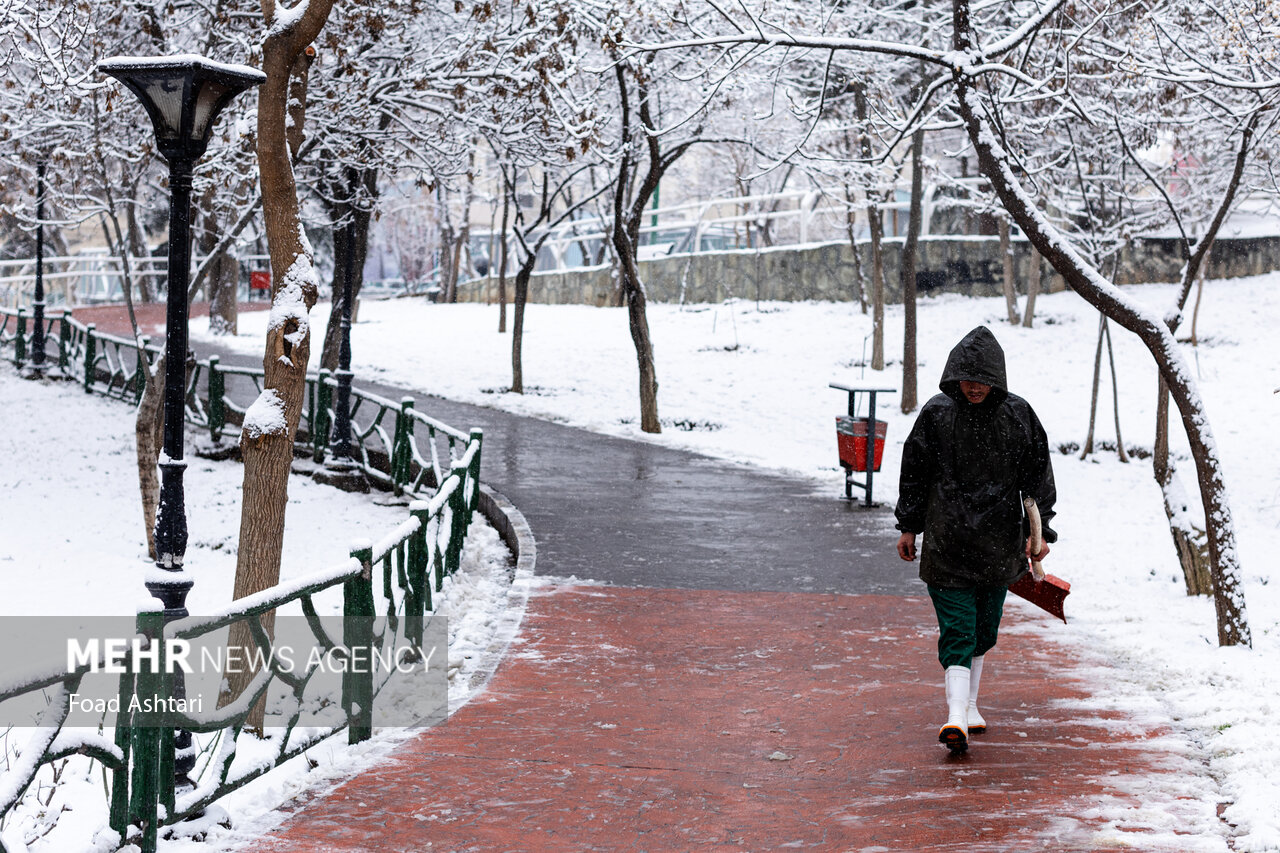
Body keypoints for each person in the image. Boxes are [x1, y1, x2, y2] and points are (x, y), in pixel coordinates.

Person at [894, 325, 1057, 753]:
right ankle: (954, 719)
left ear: (996, 378)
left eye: (982, 379)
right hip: (947, 542)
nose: (974, 386)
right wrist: (909, 525)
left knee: (985, 630)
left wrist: (1042, 533)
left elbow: (1037, 482)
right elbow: (914, 473)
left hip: (999, 545)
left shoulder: (1019, 416)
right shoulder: (936, 414)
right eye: (967, 378)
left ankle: (968, 706)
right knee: (959, 630)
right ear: (954, 375)